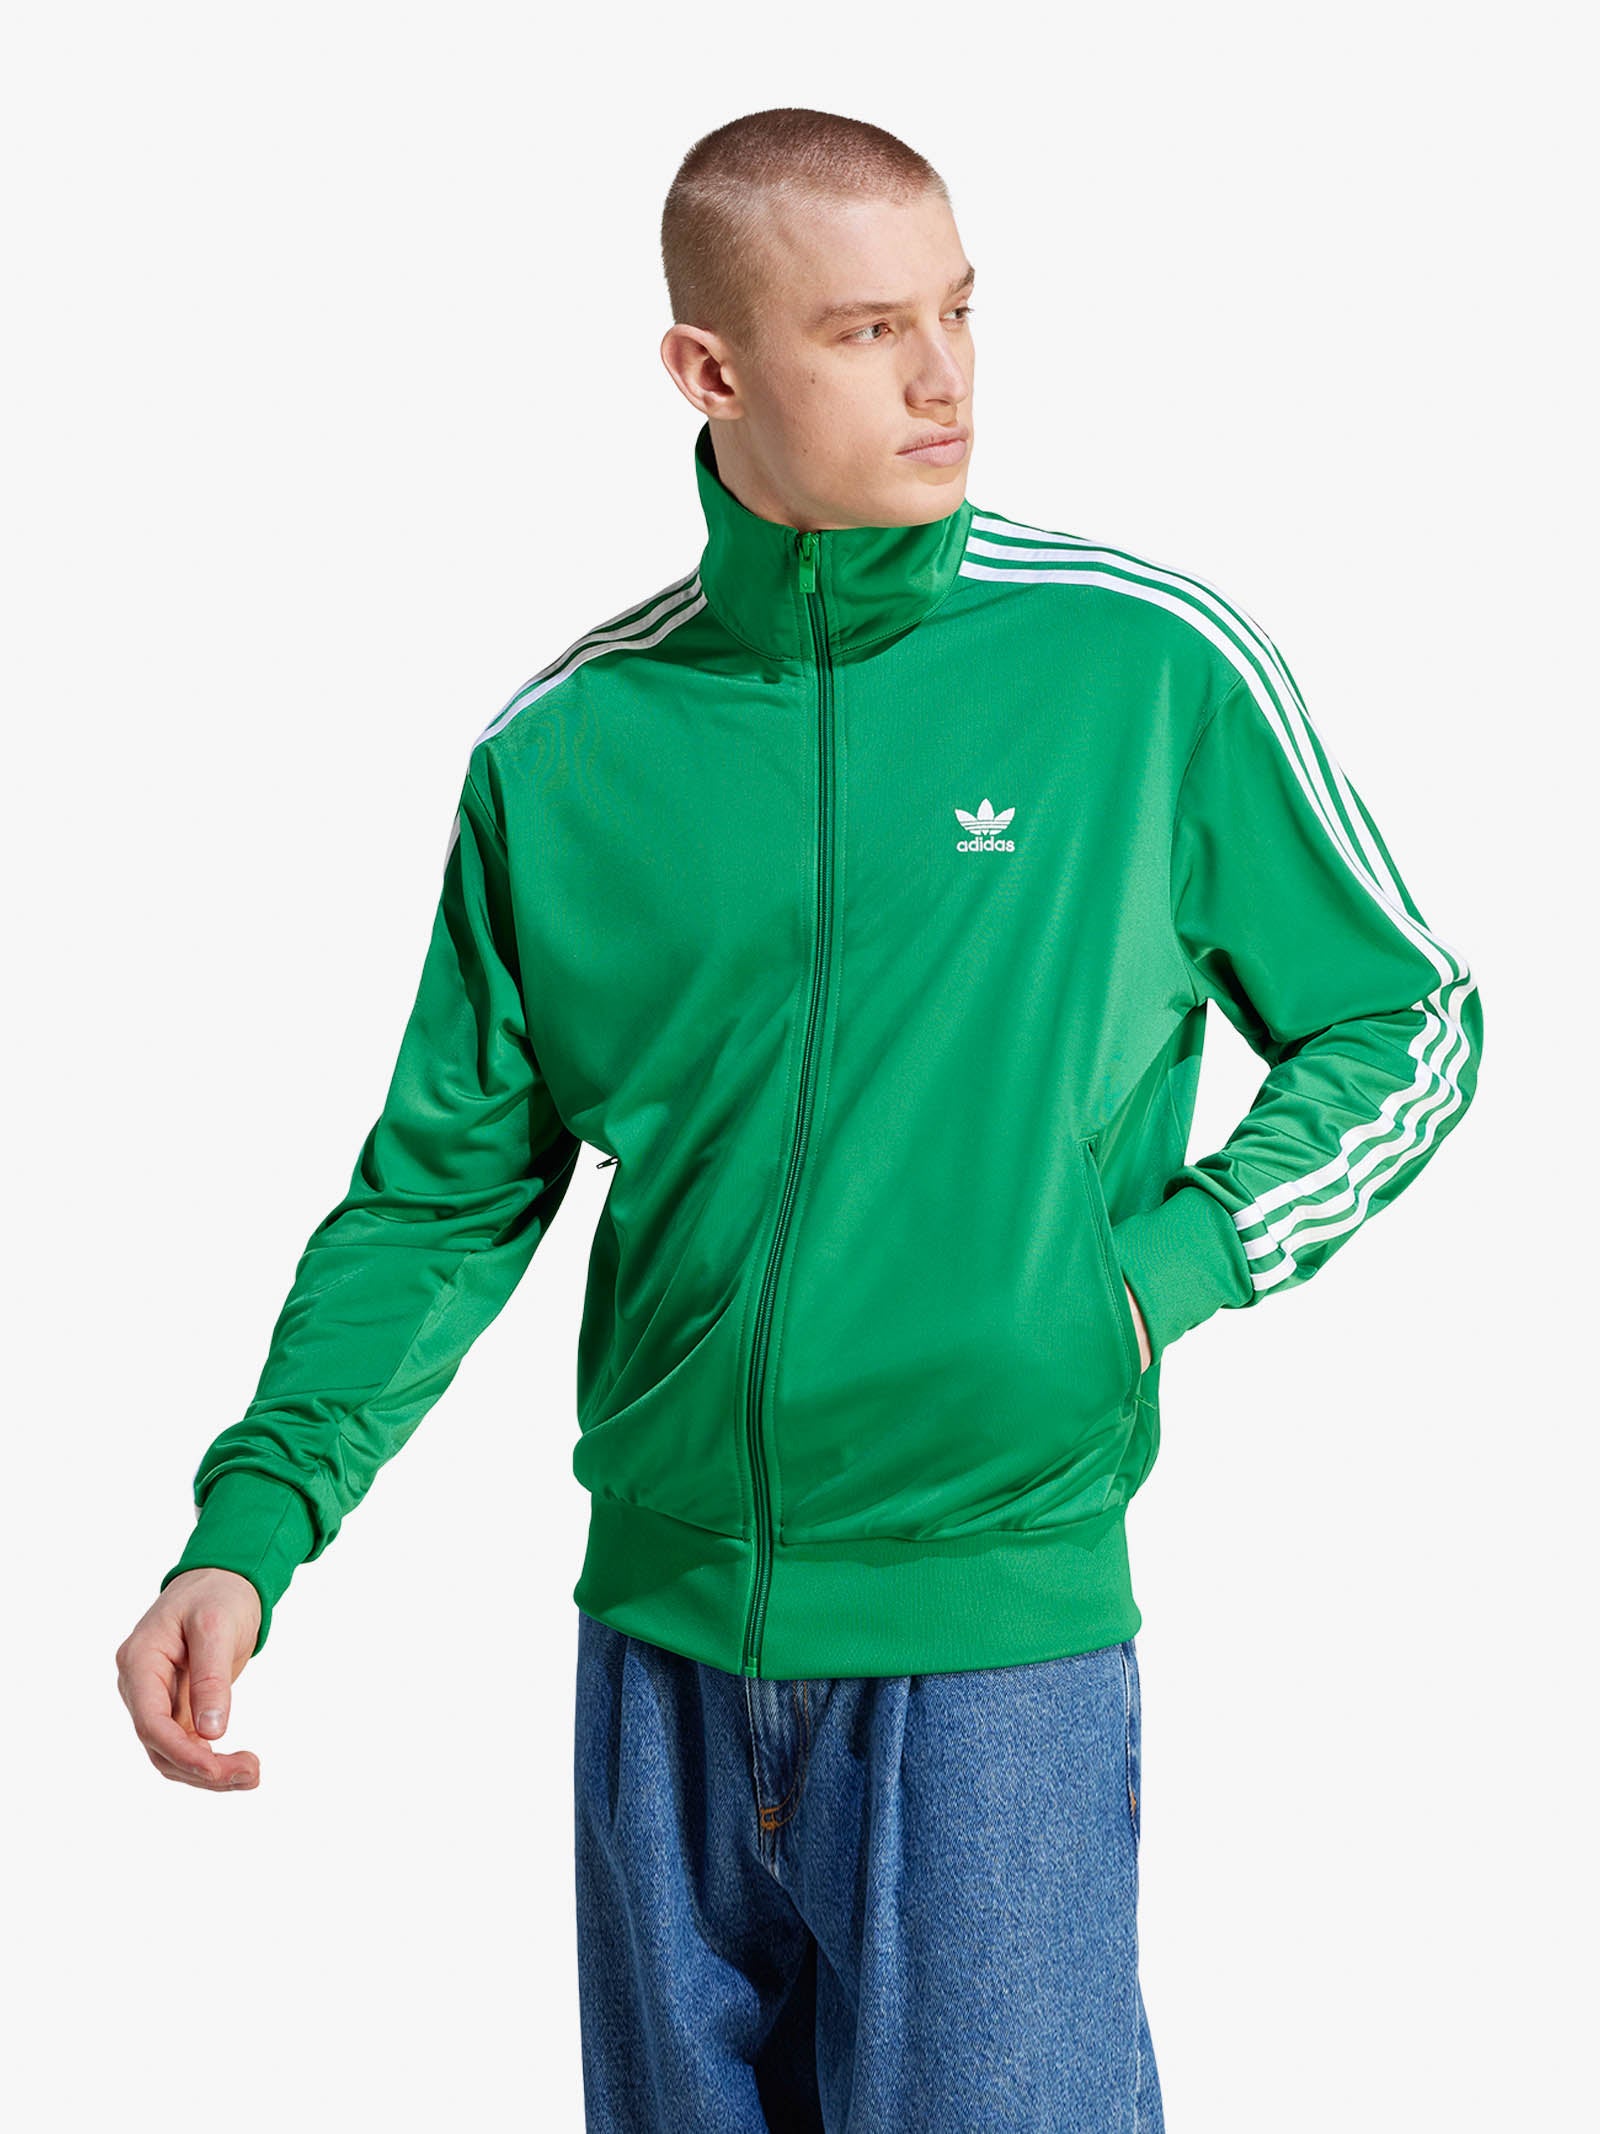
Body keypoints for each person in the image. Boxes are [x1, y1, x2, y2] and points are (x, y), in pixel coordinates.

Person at [115, 106, 1483, 2130]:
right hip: (654, 1660)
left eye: (957, 311)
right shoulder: (566, 750)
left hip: (987, 1644)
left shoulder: (1137, 669)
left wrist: (1151, 1275)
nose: (942, 378)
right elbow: (440, 1196)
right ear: (711, 369)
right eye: (863, 330)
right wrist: (251, 1531)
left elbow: (1409, 1018)